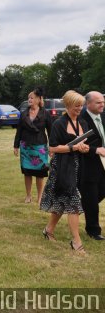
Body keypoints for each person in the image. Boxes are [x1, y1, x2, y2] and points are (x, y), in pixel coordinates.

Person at [40, 90, 90, 255]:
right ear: (68, 105)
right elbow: (53, 148)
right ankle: (76, 241)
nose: (79, 108)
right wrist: (73, 147)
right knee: (73, 202)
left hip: (78, 166)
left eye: (81, 106)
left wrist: (84, 148)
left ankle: (48, 230)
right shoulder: (58, 124)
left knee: (62, 202)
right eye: (77, 106)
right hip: (62, 167)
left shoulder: (82, 122)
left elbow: (84, 144)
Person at [13, 88, 53, 204]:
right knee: (27, 172)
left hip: (40, 147)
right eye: (28, 98)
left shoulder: (45, 113)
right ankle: (28, 195)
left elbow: (50, 131)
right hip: (26, 146)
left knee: (40, 173)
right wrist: (16, 146)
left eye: (32, 98)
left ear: (38, 99)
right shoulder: (23, 113)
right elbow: (19, 131)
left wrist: (52, 147)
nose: (29, 100)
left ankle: (40, 197)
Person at [79, 91, 105, 241]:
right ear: (88, 104)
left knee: (94, 196)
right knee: (91, 195)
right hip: (88, 163)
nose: (102, 104)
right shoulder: (81, 119)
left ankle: (83, 206)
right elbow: (79, 144)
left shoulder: (103, 115)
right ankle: (93, 230)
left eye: (103, 101)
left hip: (103, 162)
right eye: (98, 102)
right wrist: (96, 150)